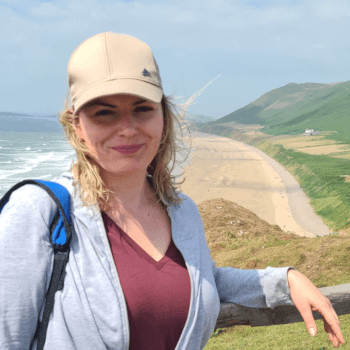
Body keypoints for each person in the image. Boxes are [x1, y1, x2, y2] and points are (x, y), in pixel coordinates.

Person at [0, 32, 345, 349]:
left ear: (163, 117)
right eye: (105, 114)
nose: (128, 129)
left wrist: (286, 279)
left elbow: (201, 280)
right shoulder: (36, 212)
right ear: (77, 123)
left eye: (142, 109)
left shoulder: (181, 211)